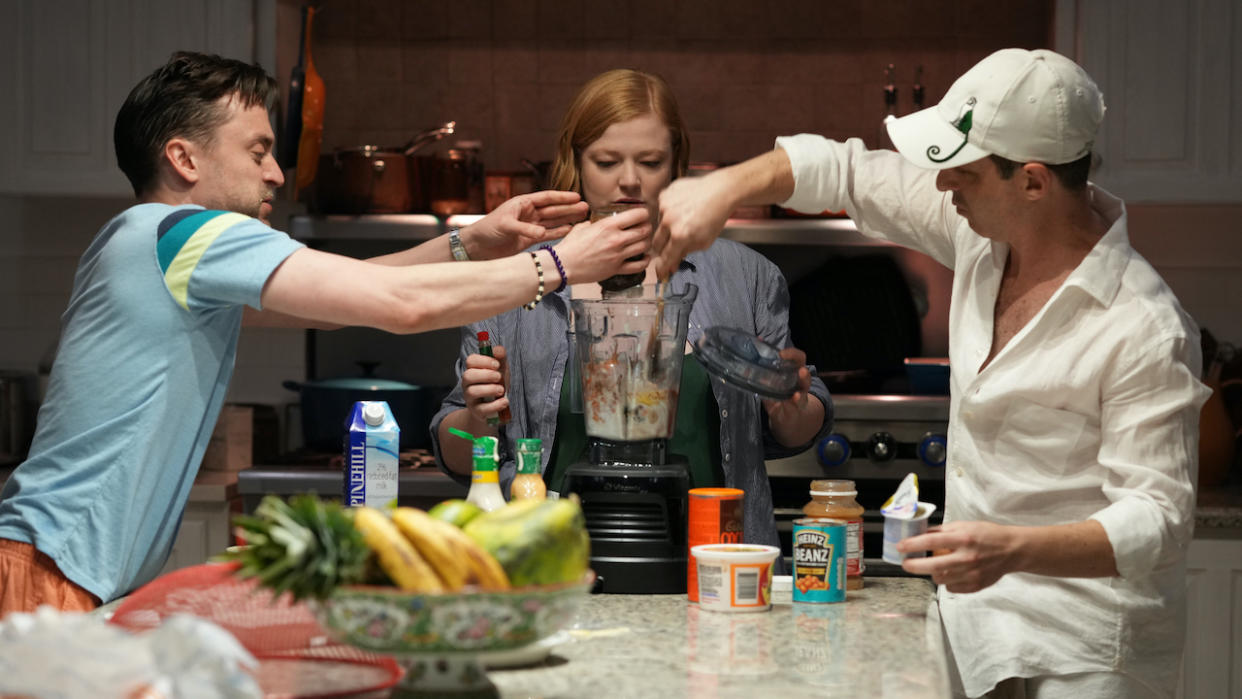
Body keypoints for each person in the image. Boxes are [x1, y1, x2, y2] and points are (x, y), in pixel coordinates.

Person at [0, 52, 651, 616]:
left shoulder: (153, 247)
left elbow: (337, 302)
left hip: (47, 568)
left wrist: (469, 243)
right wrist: (561, 265)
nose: (277, 174)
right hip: (48, 576)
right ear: (182, 157)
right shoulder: (188, 233)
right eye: (257, 151)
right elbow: (396, 305)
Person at [650, 49, 1210, 698]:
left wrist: (1013, 549)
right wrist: (723, 187)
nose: (943, 186)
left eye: (963, 173)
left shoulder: (1143, 326)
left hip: (1091, 646)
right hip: (976, 623)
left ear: (1032, 181)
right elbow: (847, 173)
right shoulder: (983, 232)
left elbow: (1159, 519)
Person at [430, 69, 830, 551]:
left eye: (651, 161)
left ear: (676, 164)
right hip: (554, 564)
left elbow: (797, 429)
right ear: (575, 161)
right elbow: (457, 455)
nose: (629, 181)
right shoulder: (515, 280)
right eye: (605, 161)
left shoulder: (745, 277)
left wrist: (787, 404)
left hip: (714, 567)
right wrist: (478, 417)